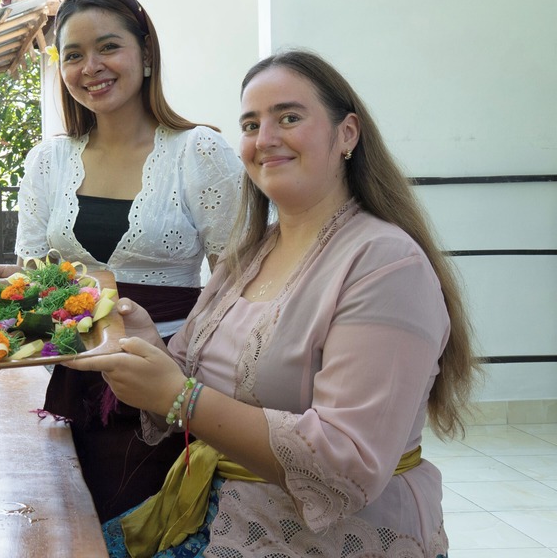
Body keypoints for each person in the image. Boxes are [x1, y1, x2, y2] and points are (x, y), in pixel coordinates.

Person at [74, 50, 476, 557]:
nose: (264, 139)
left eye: (288, 118)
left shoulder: (386, 264)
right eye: (250, 124)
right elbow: (189, 387)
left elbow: (348, 463)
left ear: (347, 134)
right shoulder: (249, 255)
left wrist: (180, 397)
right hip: (217, 514)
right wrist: (148, 346)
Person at [0, 0, 243, 522]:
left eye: (108, 47)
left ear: (145, 53)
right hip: (76, 378)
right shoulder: (49, 160)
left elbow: (239, 285)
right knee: (80, 528)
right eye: (73, 55)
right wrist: (9, 294)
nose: (90, 67)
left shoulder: (199, 150)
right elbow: (37, 280)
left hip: (175, 379)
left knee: (164, 529)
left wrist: (181, 376)